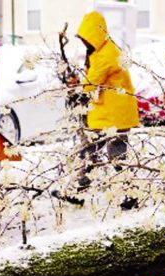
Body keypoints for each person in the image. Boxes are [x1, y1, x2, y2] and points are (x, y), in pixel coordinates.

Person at [62, 10, 140, 209]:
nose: (85, 42)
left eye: (86, 38)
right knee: (92, 149)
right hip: (107, 111)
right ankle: (81, 190)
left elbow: (90, 84)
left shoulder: (106, 54)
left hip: (114, 113)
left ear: (94, 35)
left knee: (113, 154)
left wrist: (75, 87)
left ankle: (128, 195)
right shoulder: (101, 50)